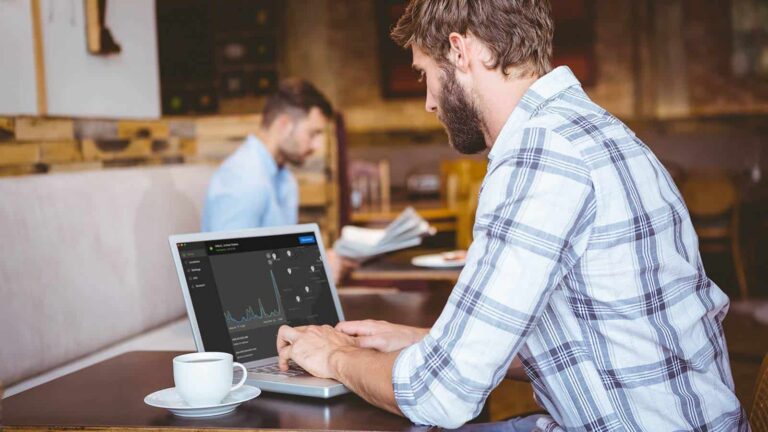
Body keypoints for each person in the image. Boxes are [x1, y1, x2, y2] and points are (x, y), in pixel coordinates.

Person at [274, 1, 749, 431]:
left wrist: (335, 357)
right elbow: (595, 342)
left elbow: (441, 396)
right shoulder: (590, 130)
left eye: (425, 74)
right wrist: (427, 341)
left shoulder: (541, 155)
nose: (430, 102)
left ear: (460, 52)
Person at [202, 79, 353, 283]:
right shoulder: (243, 179)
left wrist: (320, 261)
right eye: (313, 133)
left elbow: (278, 259)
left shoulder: (285, 179)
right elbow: (231, 276)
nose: (317, 145)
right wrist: (316, 271)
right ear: (284, 125)